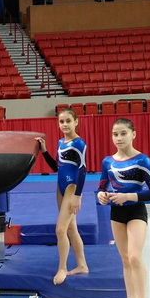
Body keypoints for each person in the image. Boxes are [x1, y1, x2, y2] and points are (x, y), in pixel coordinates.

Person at [96, 118, 150, 298]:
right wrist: (101, 195)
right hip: (116, 212)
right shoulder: (108, 161)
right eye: (115, 134)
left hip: (135, 211)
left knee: (134, 257)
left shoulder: (143, 160)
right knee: (125, 260)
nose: (119, 138)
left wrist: (128, 196)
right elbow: (102, 185)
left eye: (123, 133)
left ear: (133, 134)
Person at [36, 108, 89, 285]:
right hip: (60, 186)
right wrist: (44, 151)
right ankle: (82, 265)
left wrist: (78, 196)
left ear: (76, 122)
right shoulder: (61, 142)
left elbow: (82, 170)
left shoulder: (79, 144)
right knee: (71, 228)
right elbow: (56, 168)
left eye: (68, 121)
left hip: (72, 188)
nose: (64, 124)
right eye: (61, 121)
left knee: (60, 230)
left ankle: (62, 268)